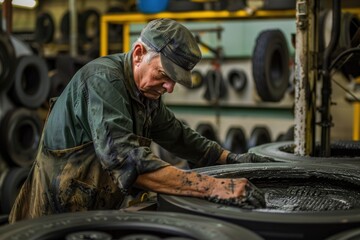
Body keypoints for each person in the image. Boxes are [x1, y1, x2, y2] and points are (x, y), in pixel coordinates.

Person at [9, 18, 271, 223]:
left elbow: (177, 135)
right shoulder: (103, 80)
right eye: (164, 74)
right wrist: (213, 187)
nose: (169, 88)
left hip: (90, 215)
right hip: (51, 218)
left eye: (175, 81)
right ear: (138, 54)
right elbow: (125, 159)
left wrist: (229, 158)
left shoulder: (145, 94)